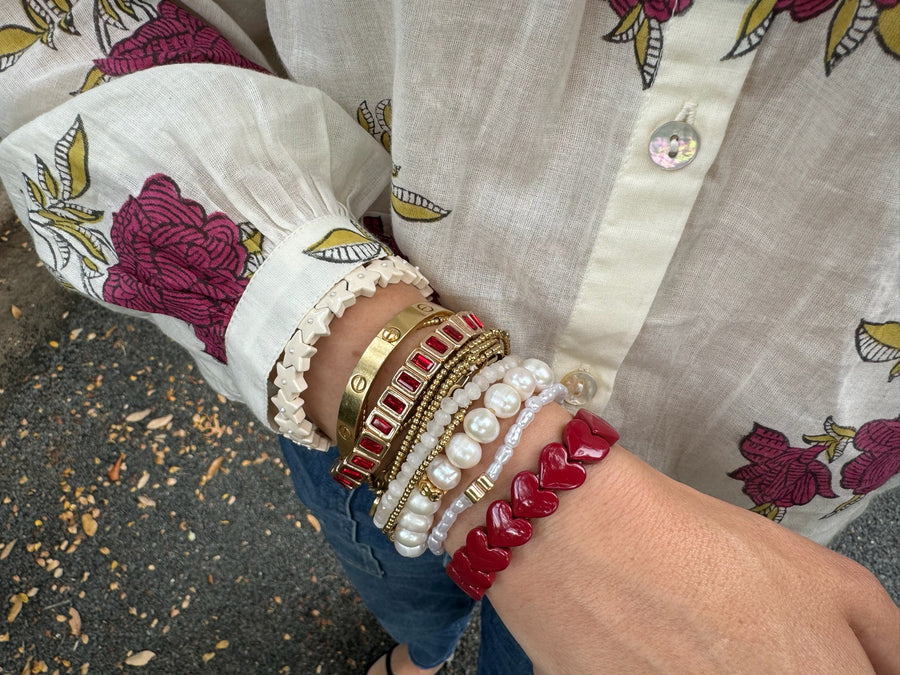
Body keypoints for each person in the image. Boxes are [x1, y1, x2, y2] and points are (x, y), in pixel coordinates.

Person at [1, 1, 897, 673]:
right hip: (339, 363)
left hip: (743, 501)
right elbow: (60, 29)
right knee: (398, 586)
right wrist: (484, 451)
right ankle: (423, 653)